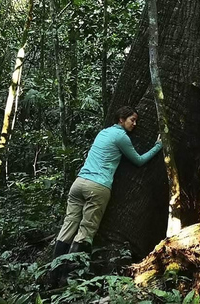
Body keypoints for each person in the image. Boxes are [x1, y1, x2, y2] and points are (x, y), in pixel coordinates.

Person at [52, 106, 162, 262]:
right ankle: (70, 272)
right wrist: (158, 146)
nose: (135, 124)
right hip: (97, 186)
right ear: (121, 119)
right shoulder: (121, 137)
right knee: (87, 230)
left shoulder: (103, 132)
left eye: (136, 120)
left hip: (78, 184)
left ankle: (54, 271)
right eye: (132, 120)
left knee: (68, 226)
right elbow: (138, 160)